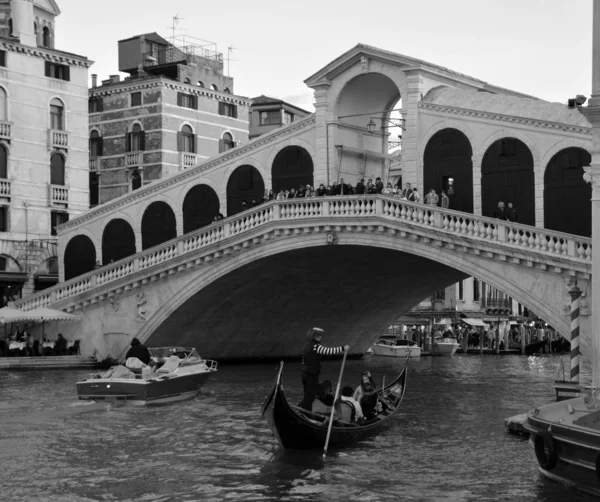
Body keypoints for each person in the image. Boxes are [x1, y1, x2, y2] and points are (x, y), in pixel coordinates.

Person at [300, 327, 349, 411]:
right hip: (311, 375)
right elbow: (329, 351)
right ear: (317, 336)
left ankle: (302, 411)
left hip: (304, 374)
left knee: (307, 395)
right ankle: (307, 414)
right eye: (320, 336)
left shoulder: (306, 345)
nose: (320, 337)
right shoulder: (316, 346)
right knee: (310, 397)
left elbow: (303, 360)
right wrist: (343, 348)